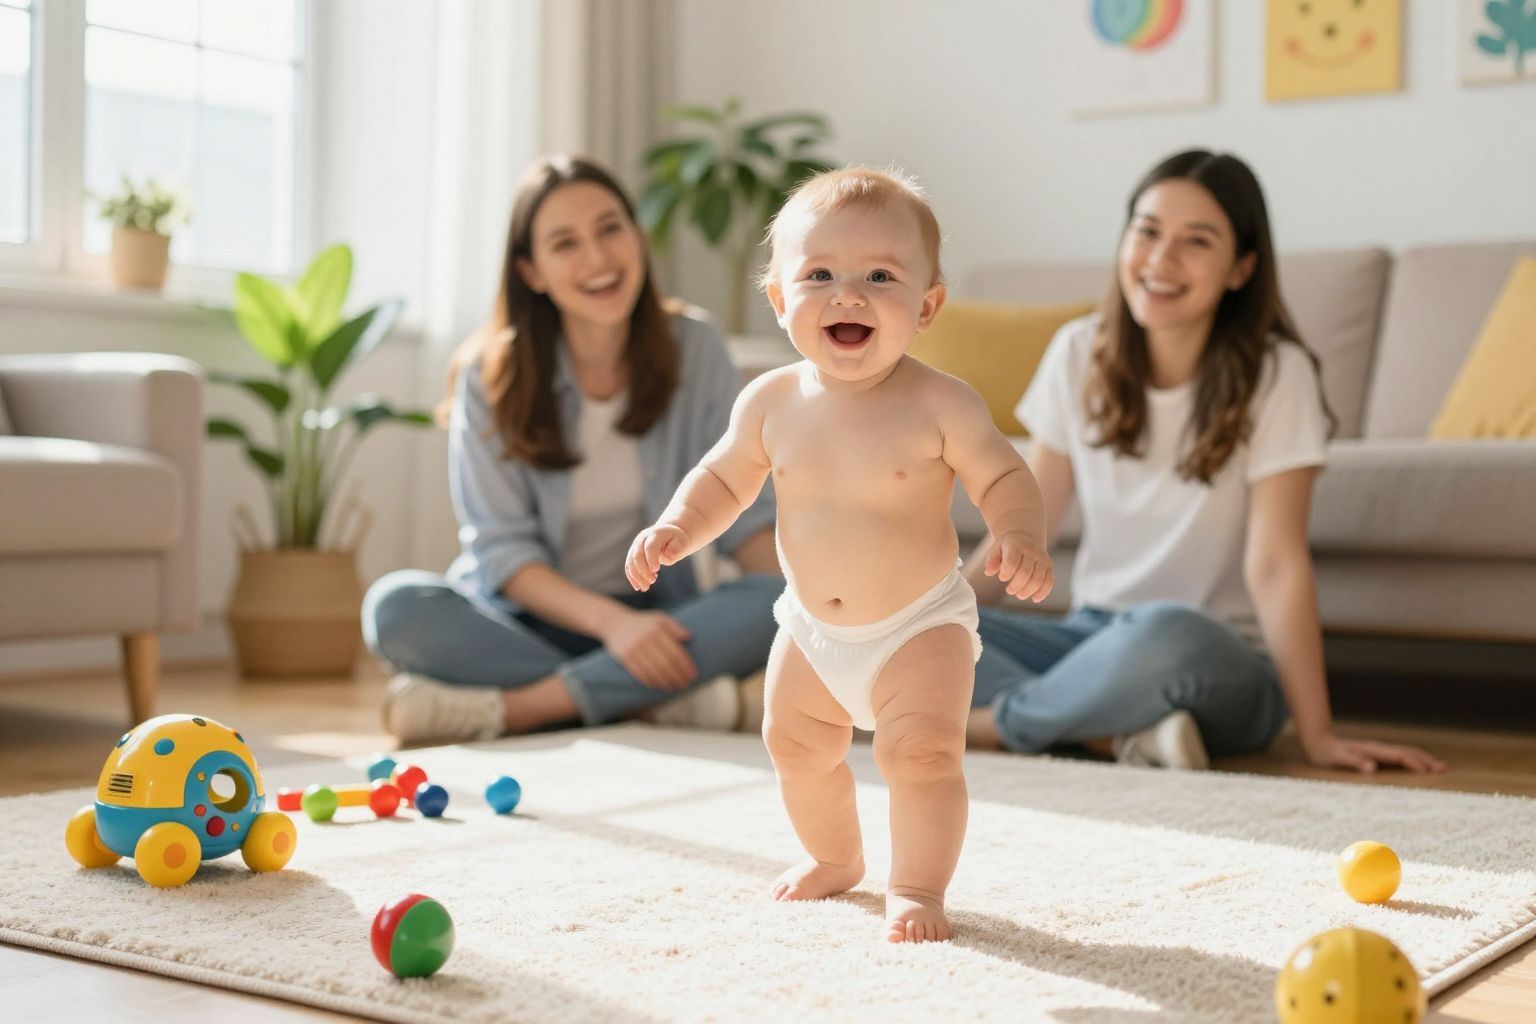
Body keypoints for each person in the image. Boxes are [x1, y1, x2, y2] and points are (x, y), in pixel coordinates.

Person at [625, 168, 1053, 944]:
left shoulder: (942, 403)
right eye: (818, 274)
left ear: (927, 307)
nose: (847, 295)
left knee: (920, 754)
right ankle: (835, 855)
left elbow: (1004, 473)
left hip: (921, 624)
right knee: (792, 745)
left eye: (879, 277)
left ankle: (918, 885)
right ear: (781, 301)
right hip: (812, 630)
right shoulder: (770, 402)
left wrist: (1018, 534)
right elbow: (723, 477)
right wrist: (678, 527)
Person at [964, 149, 1445, 777]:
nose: (1161, 260)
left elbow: (1275, 565)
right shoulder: (1077, 351)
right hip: (1089, 642)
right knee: (822, 613)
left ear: (1240, 268)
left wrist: (1318, 735)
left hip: (1213, 659)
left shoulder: (1277, 374)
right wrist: (931, 613)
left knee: (1169, 635)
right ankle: (1116, 735)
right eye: (1148, 231)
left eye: (1197, 242)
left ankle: (990, 726)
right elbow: (1031, 527)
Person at [363, 155, 783, 746]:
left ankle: (526, 708)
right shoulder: (490, 375)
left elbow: (745, 518)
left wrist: (815, 611)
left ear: (637, 235)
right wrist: (613, 629)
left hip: (662, 623)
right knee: (397, 608)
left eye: (611, 228)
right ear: (532, 271)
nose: (598, 259)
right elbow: (503, 555)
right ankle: (658, 703)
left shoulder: (697, 349)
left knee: (778, 602)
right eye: (565, 243)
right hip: (528, 624)